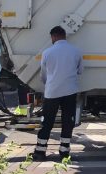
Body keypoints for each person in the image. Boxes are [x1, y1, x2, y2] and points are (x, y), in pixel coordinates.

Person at [32, 26, 83, 161]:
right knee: (68, 121)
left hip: (52, 92)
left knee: (47, 122)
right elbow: (80, 71)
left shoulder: (47, 52)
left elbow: (43, 75)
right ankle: (64, 151)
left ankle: (40, 151)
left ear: (53, 37)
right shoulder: (76, 51)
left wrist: (49, 83)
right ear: (64, 36)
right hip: (70, 91)